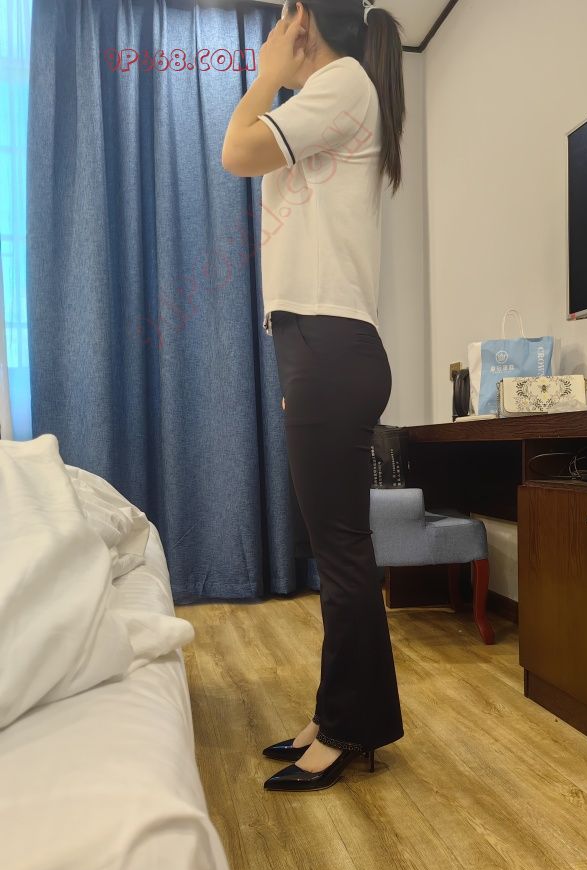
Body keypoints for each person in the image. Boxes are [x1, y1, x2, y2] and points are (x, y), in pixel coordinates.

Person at [221, 0, 406, 792]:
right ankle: (341, 713)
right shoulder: (331, 98)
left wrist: (265, 76)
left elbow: (236, 151)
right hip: (316, 346)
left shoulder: (343, 82)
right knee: (337, 551)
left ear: (302, 22)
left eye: (279, 20)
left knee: (341, 553)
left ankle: (349, 728)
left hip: (329, 346)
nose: (272, 35)